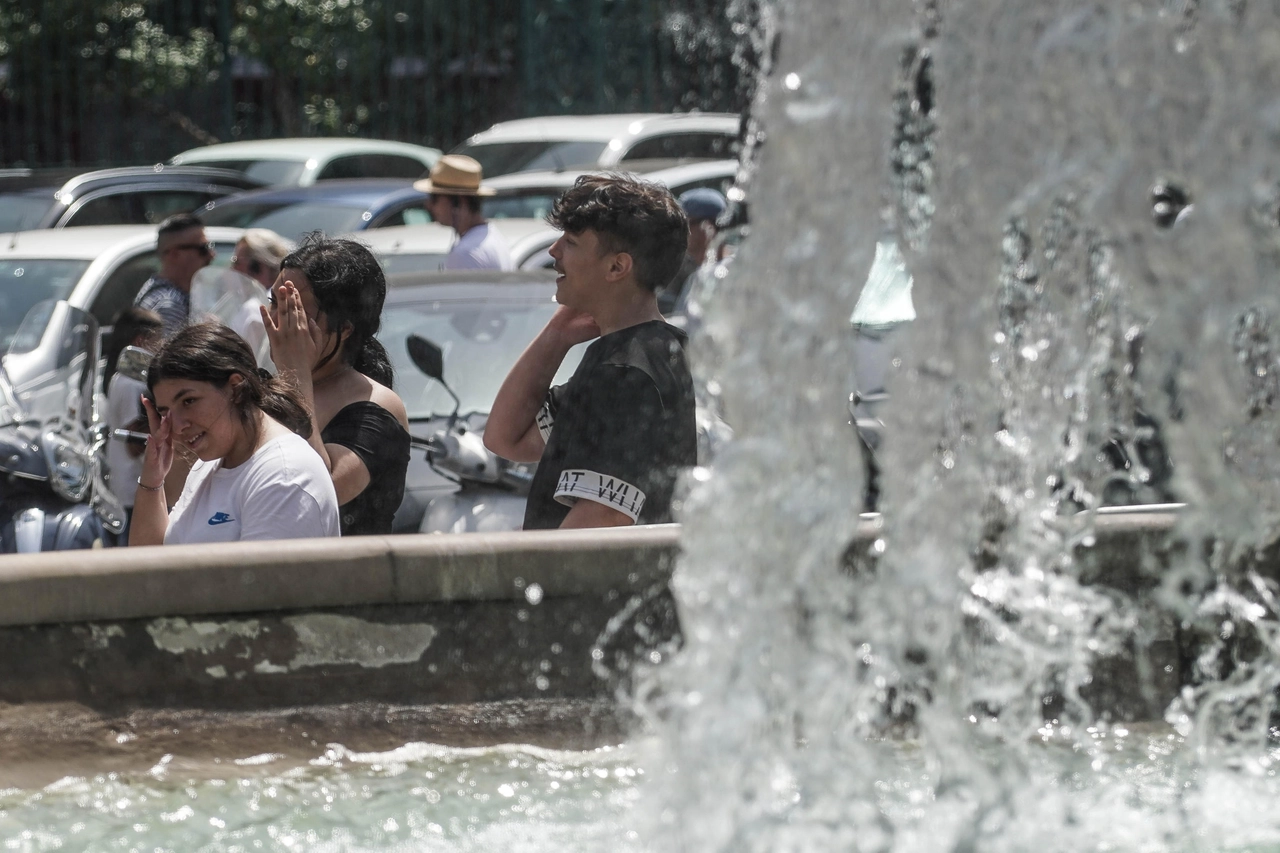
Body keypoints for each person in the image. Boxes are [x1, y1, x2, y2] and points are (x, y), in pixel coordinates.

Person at [484, 174, 698, 530]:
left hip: (584, 586)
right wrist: (556, 336)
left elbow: (601, 517)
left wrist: (532, 580)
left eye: (570, 242)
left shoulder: (629, 369)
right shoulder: (635, 353)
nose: (554, 252)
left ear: (617, 267)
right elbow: (506, 438)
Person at [128, 323, 341, 545]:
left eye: (188, 401)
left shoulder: (286, 475)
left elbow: (257, 580)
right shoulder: (207, 467)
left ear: (236, 388)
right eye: (166, 413)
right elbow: (148, 564)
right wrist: (153, 478)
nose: (178, 426)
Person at [262, 235, 411, 536]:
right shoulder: (263, 391)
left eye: (295, 312)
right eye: (274, 304)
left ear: (344, 329)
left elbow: (313, 493)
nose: (278, 321)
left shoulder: (376, 406)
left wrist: (295, 372)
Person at [104, 307, 163, 526]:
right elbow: (133, 443)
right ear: (141, 341)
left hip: (125, 486)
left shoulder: (119, 378)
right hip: (132, 487)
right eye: (157, 341)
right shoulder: (131, 385)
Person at [413, 154, 514, 270]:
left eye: (434, 197)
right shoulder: (494, 237)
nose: (429, 205)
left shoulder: (465, 254)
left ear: (459, 201)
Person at [133, 213, 213, 339]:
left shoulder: (161, 290)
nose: (211, 254)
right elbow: (170, 358)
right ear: (174, 254)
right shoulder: (169, 304)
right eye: (203, 248)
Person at [227, 228, 293, 364]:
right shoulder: (279, 300)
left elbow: (251, 363)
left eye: (236, 261)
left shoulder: (255, 308)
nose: (232, 269)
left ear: (258, 266)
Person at [658, 187, 728, 314]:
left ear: (708, 226)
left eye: (685, 223)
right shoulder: (676, 266)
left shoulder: (734, 267)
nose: (678, 231)